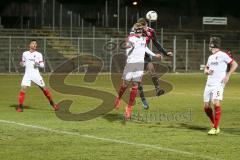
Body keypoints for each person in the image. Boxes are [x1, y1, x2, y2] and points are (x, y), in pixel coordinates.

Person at [114, 23, 161, 119]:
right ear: (135, 31)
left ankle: (129, 108)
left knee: (135, 86)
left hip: (139, 65)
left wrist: (154, 55)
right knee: (125, 85)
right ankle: (118, 98)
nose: (140, 32)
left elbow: (145, 48)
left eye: (141, 30)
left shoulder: (143, 39)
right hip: (131, 64)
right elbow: (127, 51)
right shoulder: (130, 38)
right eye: (138, 30)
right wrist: (131, 48)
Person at [134, 18, 173, 109]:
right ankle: (144, 100)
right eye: (141, 27)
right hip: (136, 57)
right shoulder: (136, 33)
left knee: (152, 71)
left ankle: (158, 89)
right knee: (138, 81)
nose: (143, 28)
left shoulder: (151, 31)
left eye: (144, 26)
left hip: (146, 56)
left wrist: (165, 53)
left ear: (146, 24)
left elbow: (156, 43)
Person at [203, 37, 238, 135]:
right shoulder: (210, 57)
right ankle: (215, 124)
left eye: (210, 43)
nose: (209, 45)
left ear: (212, 45)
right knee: (206, 107)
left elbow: (235, 64)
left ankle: (215, 128)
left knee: (216, 103)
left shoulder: (223, 55)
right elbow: (205, 69)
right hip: (209, 84)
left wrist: (228, 75)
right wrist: (207, 71)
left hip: (218, 83)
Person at [17, 39, 59, 112]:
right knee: (23, 88)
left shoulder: (39, 54)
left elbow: (42, 65)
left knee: (44, 89)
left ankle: (53, 104)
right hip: (27, 74)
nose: (35, 45)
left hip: (36, 74)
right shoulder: (25, 53)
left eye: (35, 44)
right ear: (29, 45)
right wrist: (22, 64)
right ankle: (20, 107)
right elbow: (24, 63)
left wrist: (38, 64)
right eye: (33, 43)